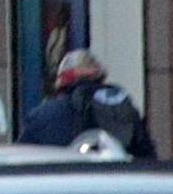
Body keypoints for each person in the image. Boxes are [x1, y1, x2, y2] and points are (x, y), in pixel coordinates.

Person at [22, 49, 156, 158]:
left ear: (62, 82)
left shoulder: (42, 115)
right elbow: (148, 156)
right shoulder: (123, 107)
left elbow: (22, 159)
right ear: (100, 77)